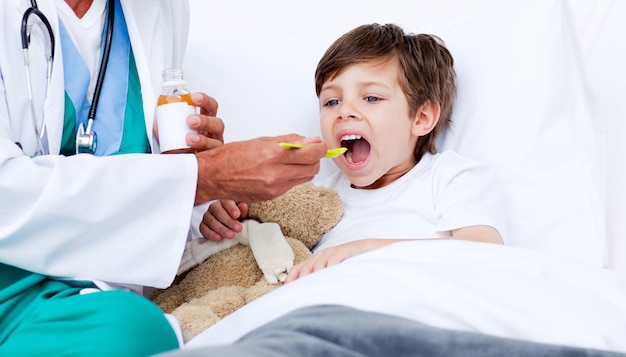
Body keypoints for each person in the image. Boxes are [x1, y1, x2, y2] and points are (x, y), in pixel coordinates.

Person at [0, 0, 326, 356]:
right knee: (129, 333)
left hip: (92, 285)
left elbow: (147, 157)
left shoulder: (162, 9)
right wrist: (206, 176)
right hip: (11, 280)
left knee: (131, 329)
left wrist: (196, 184)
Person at [203, 23, 505, 283]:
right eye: (332, 102)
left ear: (421, 117)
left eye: (371, 97)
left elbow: (481, 252)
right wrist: (224, 216)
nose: (345, 111)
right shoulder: (316, 198)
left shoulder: (451, 177)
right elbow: (263, 245)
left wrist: (361, 249)